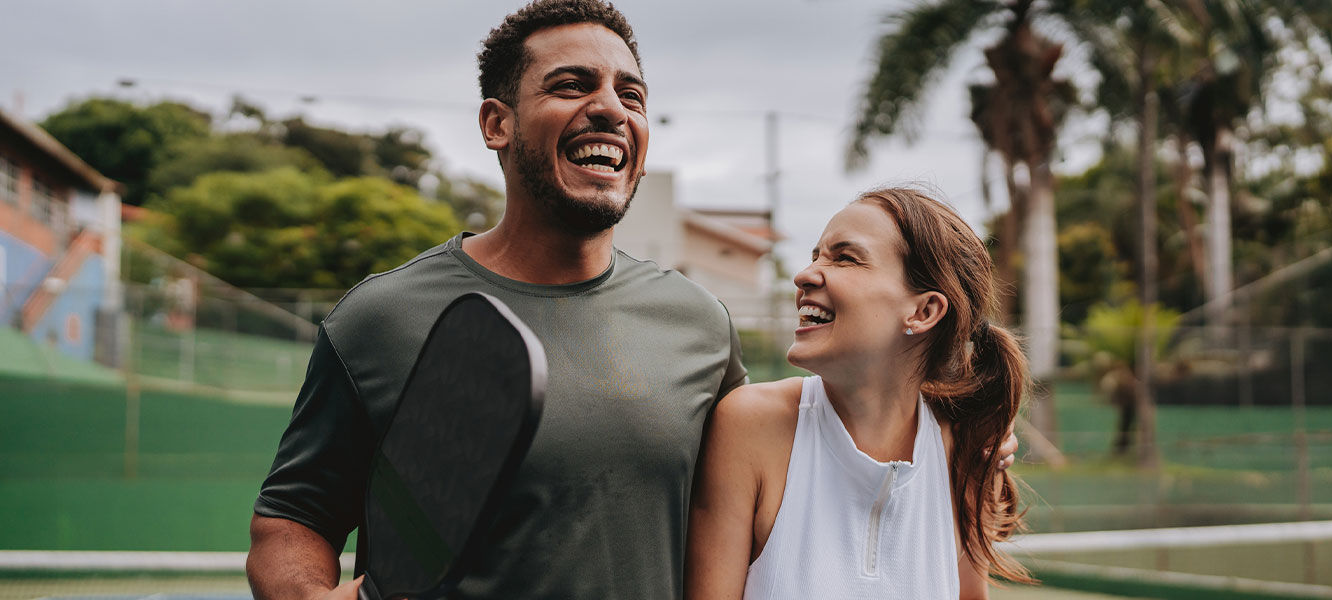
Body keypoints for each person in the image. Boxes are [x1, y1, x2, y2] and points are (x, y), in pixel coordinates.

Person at [246, 2, 1017, 598]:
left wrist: (964, 425)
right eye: (571, 84)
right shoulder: (381, 319)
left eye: (632, 93)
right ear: (496, 124)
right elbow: (291, 519)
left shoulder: (696, 324)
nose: (611, 108)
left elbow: (799, 462)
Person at [685, 187, 1034, 599]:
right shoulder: (749, 423)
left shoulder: (969, 447)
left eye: (845, 257)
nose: (805, 274)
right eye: (816, 255)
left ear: (923, 312)